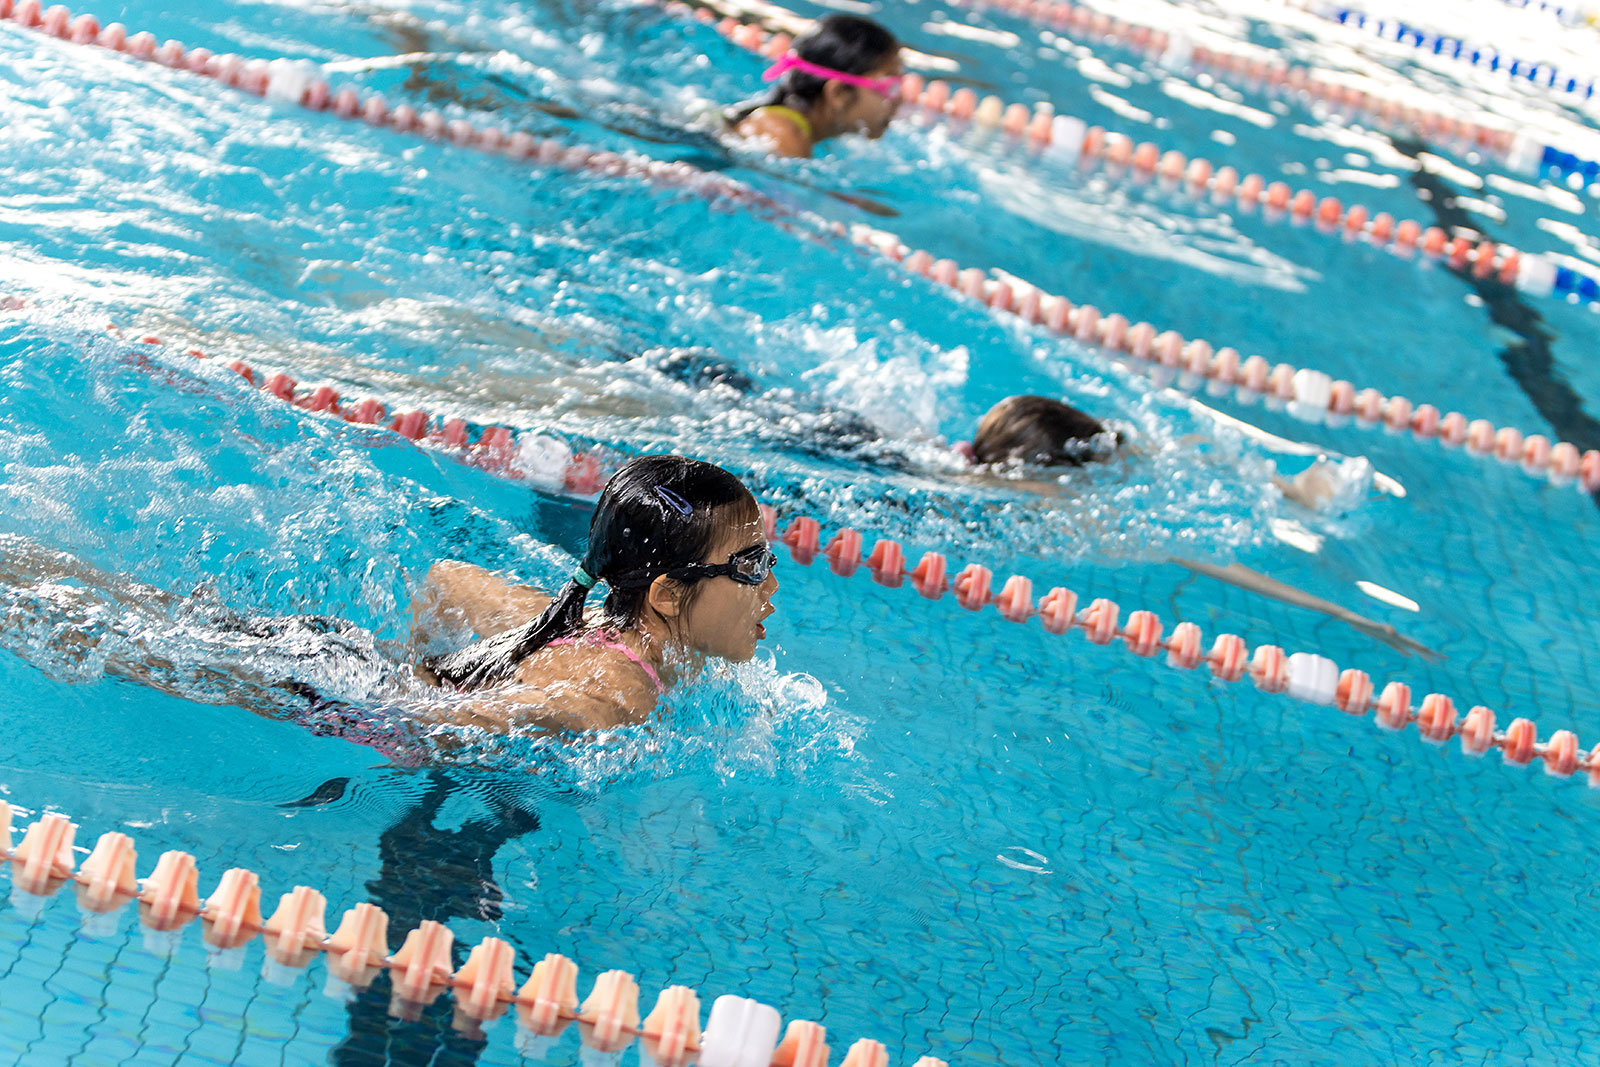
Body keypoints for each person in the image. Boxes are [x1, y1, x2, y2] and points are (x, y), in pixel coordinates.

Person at [414, 454, 778, 731]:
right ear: (668, 596)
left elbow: (448, 579)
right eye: (750, 567)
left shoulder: (575, 619)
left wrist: (417, 649)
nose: (772, 586)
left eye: (769, 561)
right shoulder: (617, 699)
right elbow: (434, 722)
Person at [729, 15, 904, 159]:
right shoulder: (783, 133)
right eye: (891, 87)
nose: (900, 99)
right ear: (839, 93)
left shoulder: (791, 129)